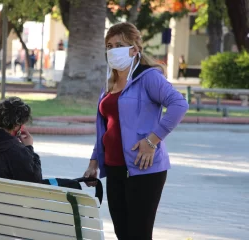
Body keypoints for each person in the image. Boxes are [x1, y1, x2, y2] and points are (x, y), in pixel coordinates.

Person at [83, 22, 189, 240]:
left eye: (119, 45)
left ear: (134, 49)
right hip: (114, 170)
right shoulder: (110, 83)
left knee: (138, 235)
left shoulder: (149, 77)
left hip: (143, 170)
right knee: (123, 234)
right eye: (109, 45)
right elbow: (107, 127)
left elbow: (179, 104)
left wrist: (152, 141)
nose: (113, 50)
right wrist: (94, 161)